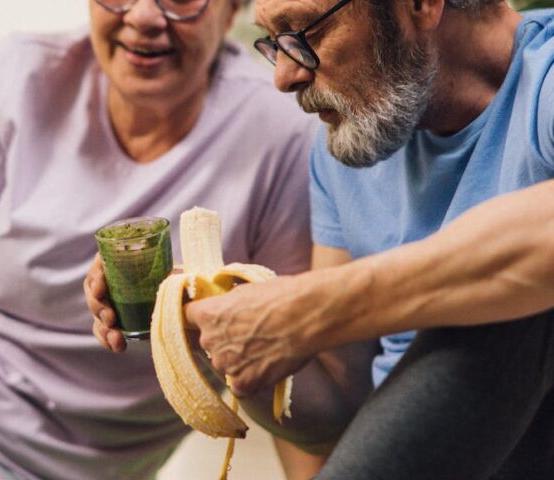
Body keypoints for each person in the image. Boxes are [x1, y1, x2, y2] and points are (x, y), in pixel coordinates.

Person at [0, 0, 377, 479]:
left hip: (28, 460)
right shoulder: (19, 73)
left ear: (232, 9)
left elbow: (289, 374)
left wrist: (197, 315)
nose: (143, 16)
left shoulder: (277, 136)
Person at [179, 0, 554, 478]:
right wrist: (216, 326)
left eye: (306, 32)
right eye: (277, 43)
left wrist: (314, 307)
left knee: (523, 288)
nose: (285, 77)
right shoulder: (345, 149)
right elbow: (334, 412)